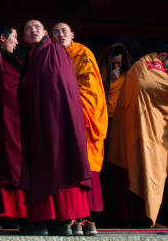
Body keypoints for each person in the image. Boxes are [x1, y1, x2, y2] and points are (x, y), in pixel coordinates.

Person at [18, 19, 91, 236]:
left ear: (45, 32)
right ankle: (56, 222)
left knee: (52, 165)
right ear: (23, 37)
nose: (32, 31)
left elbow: (58, 90)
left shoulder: (54, 54)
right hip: (43, 121)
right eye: (28, 29)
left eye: (37, 27)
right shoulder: (35, 56)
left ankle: (51, 220)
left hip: (52, 122)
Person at [51, 22, 107, 233]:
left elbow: (90, 89)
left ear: (72, 34)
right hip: (57, 119)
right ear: (51, 36)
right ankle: (65, 215)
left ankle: (83, 216)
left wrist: (70, 107)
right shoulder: (47, 55)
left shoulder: (82, 54)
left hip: (79, 116)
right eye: (56, 31)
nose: (61, 34)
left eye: (64, 31)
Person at [106, 45, 168, 227]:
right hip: (140, 131)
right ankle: (148, 217)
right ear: (163, 55)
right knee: (145, 171)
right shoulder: (147, 66)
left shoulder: (147, 66)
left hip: (152, 129)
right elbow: (155, 86)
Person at [0, 24, 27, 221]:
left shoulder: (16, 61)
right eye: (15, 38)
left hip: (16, 118)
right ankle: (0, 212)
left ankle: (18, 212)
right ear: (2, 38)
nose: (17, 42)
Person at [97, 43, 134, 120]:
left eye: (118, 64)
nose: (115, 67)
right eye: (112, 64)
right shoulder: (100, 74)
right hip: (103, 116)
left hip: (121, 117)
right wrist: (110, 81)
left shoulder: (129, 76)